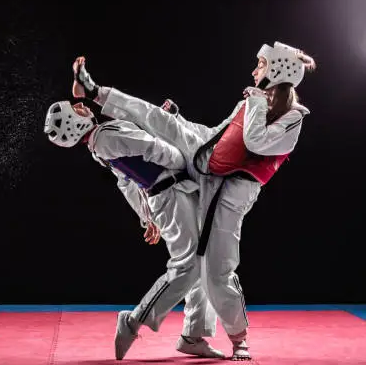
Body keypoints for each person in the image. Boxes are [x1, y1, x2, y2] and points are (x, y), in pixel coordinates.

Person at [71, 42, 316, 361]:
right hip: (206, 158)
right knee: (157, 117)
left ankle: (237, 337)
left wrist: (255, 102)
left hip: (232, 190)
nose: (255, 70)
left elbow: (255, 141)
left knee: (215, 270)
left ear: (277, 70)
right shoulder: (252, 100)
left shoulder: (293, 117)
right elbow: (219, 134)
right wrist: (181, 121)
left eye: (260, 65)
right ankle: (94, 90)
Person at [43, 99, 224, 360]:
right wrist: (191, 163)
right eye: (77, 109)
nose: (83, 108)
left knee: (201, 260)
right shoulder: (105, 136)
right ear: (74, 123)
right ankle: (133, 320)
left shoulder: (99, 145)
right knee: (188, 265)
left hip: (169, 193)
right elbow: (156, 149)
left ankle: (193, 335)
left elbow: (127, 182)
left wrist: (146, 217)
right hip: (171, 192)